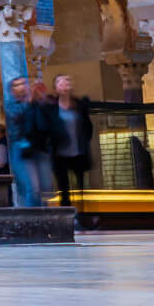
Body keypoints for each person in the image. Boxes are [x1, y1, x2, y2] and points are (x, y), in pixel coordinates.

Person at [4, 77, 54, 209]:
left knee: (46, 187)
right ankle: (34, 220)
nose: (21, 87)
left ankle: (45, 217)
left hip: (40, 148)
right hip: (22, 149)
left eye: (23, 83)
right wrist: (31, 99)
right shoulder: (11, 105)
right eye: (17, 85)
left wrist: (42, 98)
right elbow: (17, 116)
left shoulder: (38, 102)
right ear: (11, 90)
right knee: (33, 187)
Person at [53, 73, 94, 211]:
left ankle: (82, 215)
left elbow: (87, 127)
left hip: (78, 152)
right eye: (60, 82)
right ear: (56, 87)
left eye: (67, 82)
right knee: (64, 188)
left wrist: (85, 141)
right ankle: (67, 218)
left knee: (81, 188)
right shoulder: (52, 107)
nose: (64, 85)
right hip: (60, 154)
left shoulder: (78, 105)